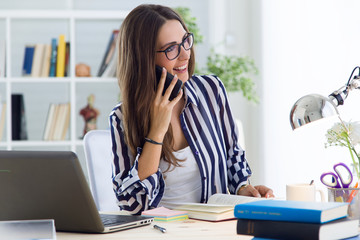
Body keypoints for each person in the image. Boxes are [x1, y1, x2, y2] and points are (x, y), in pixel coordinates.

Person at [109, 4, 274, 215]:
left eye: (185, 41)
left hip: (213, 228)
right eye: (171, 48)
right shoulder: (122, 118)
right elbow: (131, 204)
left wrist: (242, 189)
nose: (185, 55)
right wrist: (156, 132)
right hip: (159, 232)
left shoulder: (211, 90)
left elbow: (233, 156)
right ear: (144, 59)